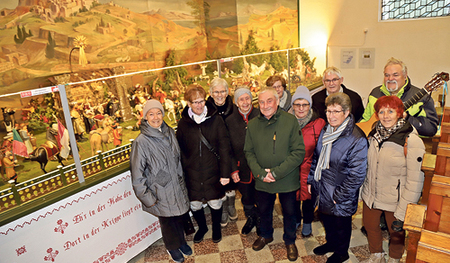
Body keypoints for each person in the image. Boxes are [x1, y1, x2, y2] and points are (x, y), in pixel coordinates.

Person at [360, 96, 425, 263]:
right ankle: (376, 254)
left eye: (391, 111)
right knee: (370, 226)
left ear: (400, 113)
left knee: (396, 232)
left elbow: (415, 180)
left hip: (395, 198)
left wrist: (406, 206)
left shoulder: (411, 140)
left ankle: (394, 258)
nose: (386, 115)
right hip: (372, 194)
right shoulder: (374, 133)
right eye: (381, 111)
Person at [244, 87, 305, 261]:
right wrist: (260, 173)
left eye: (269, 101)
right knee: (263, 210)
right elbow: (248, 152)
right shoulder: (253, 124)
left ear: (277, 101)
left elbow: (298, 152)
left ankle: (290, 241)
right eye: (261, 102)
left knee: (290, 212)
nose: (265, 105)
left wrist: (276, 173)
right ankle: (265, 235)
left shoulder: (290, 121)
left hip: (286, 178)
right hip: (262, 179)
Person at [308, 92, 368, 263]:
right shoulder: (326, 130)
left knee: (341, 225)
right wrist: (312, 179)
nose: (331, 116)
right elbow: (317, 157)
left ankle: (342, 252)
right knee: (327, 220)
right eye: (328, 111)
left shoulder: (357, 139)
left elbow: (357, 175)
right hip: (323, 188)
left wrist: (339, 196)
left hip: (339, 193)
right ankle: (331, 243)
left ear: (346, 112)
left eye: (336, 111)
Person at [130, 99, 191, 263]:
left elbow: (177, 159)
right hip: (159, 190)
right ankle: (172, 247)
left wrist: (181, 181)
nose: (155, 117)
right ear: (145, 117)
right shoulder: (141, 142)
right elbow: (137, 175)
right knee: (168, 222)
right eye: (151, 114)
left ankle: (182, 242)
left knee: (178, 217)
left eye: (158, 113)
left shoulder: (169, 131)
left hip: (176, 185)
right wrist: (148, 198)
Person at [176, 84, 231, 244]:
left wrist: (225, 173)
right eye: (195, 102)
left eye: (201, 101)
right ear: (188, 104)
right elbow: (180, 150)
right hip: (192, 173)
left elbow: (224, 148)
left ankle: (216, 227)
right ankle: (202, 227)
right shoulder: (183, 124)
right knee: (195, 204)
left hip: (212, 171)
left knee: (215, 202)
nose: (199, 105)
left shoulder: (216, 120)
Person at [360, 57, 438, 137]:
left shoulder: (422, 97)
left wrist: (407, 118)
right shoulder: (375, 93)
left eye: (395, 75)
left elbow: (431, 129)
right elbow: (365, 120)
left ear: (405, 76)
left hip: (405, 145)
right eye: (387, 75)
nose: (390, 79)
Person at [288, 86, 326, 237]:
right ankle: (297, 219)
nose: (301, 108)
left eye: (305, 104)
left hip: (311, 169)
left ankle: (308, 222)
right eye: (297, 104)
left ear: (310, 105)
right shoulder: (286, 121)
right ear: (293, 106)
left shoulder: (319, 123)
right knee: (293, 198)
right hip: (291, 169)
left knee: (309, 199)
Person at [224, 86, 260, 235]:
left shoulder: (260, 114)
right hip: (241, 168)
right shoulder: (229, 120)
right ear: (236, 102)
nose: (245, 102)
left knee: (263, 197)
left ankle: (262, 221)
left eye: (247, 98)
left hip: (260, 167)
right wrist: (233, 169)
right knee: (247, 197)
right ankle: (251, 218)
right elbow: (228, 149)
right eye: (241, 99)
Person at [206, 77, 238, 227]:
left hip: (232, 151)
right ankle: (224, 208)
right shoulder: (206, 110)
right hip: (215, 154)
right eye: (216, 92)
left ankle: (231, 205)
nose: (220, 95)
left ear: (228, 92)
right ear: (211, 93)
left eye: (223, 91)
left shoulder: (234, 108)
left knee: (232, 181)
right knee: (220, 182)